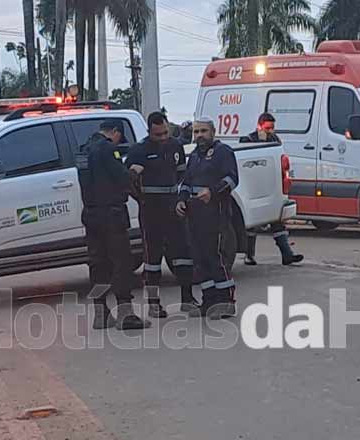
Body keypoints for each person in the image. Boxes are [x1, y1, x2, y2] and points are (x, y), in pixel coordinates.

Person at [77, 119, 148, 330]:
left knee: (97, 264)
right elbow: (122, 178)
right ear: (115, 132)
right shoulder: (108, 149)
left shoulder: (82, 151)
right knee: (121, 262)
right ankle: (126, 314)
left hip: (90, 214)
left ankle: (101, 314)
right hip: (112, 214)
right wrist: (134, 171)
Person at [126, 112, 199, 317]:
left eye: (165, 132)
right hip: (151, 209)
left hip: (173, 207)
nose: (163, 137)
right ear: (149, 131)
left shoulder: (175, 145)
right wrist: (140, 198)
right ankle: (154, 303)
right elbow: (128, 180)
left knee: (183, 253)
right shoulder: (139, 150)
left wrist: (181, 198)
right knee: (152, 258)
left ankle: (188, 298)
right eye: (158, 134)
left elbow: (182, 174)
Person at [177, 119, 239, 318]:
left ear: (213, 132)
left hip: (216, 214)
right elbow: (186, 182)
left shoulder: (223, 152)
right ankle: (209, 301)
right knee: (200, 260)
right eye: (196, 132)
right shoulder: (194, 156)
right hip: (194, 216)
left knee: (216, 258)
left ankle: (226, 302)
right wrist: (181, 200)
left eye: (203, 131)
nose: (199, 135)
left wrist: (213, 192)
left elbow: (232, 179)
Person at [239, 113, 304, 267]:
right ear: (259, 125)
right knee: (252, 223)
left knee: (278, 220)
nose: (270, 131)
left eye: (272, 128)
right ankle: (249, 255)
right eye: (267, 128)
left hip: (271, 186)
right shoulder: (247, 140)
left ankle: (287, 255)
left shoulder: (275, 140)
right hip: (253, 187)